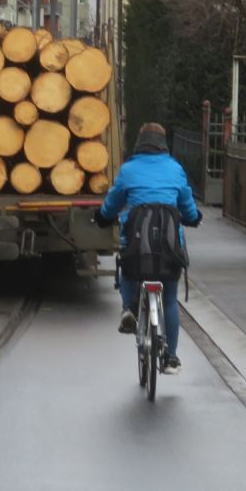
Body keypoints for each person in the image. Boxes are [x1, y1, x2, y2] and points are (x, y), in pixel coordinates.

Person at [92, 122, 201, 373]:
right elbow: (187, 205)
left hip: (137, 246)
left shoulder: (129, 170)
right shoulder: (175, 169)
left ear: (139, 143)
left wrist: (102, 217)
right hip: (169, 250)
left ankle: (129, 308)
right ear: (164, 144)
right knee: (171, 300)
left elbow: (112, 204)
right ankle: (171, 357)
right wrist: (194, 218)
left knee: (129, 267)